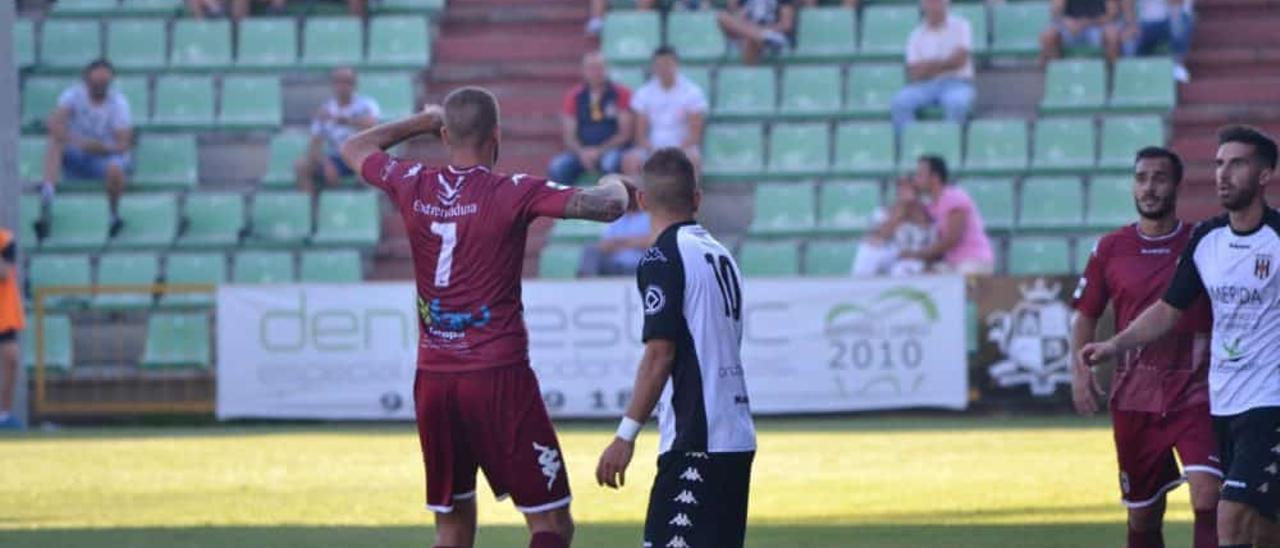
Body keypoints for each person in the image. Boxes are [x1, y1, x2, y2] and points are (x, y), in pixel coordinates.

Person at [340, 87, 631, 548]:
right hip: (498, 377)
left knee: (453, 529)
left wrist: (420, 121)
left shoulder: (412, 179)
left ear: (444, 135)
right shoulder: (512, 191)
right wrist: (616, 179)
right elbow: (607, 206)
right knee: (551, 525)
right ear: (496, 135)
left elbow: (354, 147)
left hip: (434, 379)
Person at [1081, 126, 1280, 548]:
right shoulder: (1207, 240)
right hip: (1223, 402)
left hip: (1268, 402)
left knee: (1226, 514)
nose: (1223, 174)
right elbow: (1168, 310)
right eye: (1220, 163)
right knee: (1262, 528)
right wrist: (1115, 345)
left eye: (1237, 164)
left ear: (1265, 176)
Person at [595, 147, 757, 548]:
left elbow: (659, 354)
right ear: (697, 199)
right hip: (734, 435)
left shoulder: (662, 257)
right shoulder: (721, 254)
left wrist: (625, 435)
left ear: (644, 201)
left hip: (697, 439)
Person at [1071, 147, 1219, 548]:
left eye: (1159, 178)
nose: (1149, 187)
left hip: (1198, 390)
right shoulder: (1110, 248)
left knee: (1209, 495)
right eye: (1141, 178)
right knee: (1143, 515)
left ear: (1176, 185)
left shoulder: (1203, 242)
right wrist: (1079, 373)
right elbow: (1084, 315)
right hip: (1136, 396)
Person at [40, 59, 134, 237]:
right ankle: (47, 195)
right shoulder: (73, 95)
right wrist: (79, 142)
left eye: (104, 83)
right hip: (78, 152)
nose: (99, 86)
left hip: (104, 156)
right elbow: (52, 123)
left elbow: (124, 144)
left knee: (116, 169)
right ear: (86, 80)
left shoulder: (119, 103)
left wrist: (102, 148)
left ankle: (113, 214)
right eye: (96, 82)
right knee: (55, 140)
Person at [548, 51, 634, 187]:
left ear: (607, 69)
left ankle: (611, 206)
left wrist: (599, 151)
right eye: (591, 68)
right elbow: (569, 136)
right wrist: (582, 153)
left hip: (611, 150)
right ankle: (566, 206)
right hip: (581, 152)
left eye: (600, 68)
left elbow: (624, 134)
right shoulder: (574, 96)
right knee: (558, 166)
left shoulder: (621, 93)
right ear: (584, 71)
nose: (596, 72)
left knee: (610, 164)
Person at [890, 0, 976, 133]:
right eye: (930, 2)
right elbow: (914, 72)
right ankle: (911, 146)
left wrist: (928, 66)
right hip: (924, 85)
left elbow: (960, 60)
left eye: (937, 2)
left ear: (947, 4)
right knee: (899, 103)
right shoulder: (916, 35)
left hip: (957, 83)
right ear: (923, 6)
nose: (934, 6)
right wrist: (946, 63)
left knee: (957, 104)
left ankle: (950, 146)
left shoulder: (961, 26)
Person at [899, 155, 995, 274]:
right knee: (920, 275)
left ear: (934, 178)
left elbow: (951, 239)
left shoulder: (954, 197)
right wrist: (909, 194)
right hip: (952, 263)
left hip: (973, 260)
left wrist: (917, 255)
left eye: (919, 175)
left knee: (960, 280)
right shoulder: (930, 205)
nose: (916, 180)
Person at [622, 47, 709, 178]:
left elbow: (695, 135)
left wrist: (674, 151)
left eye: (668, 64)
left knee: (693, 159)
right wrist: (654, 150)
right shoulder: (644, 93)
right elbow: (640, 136)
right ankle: (639, 198)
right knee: (630, 160)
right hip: (652, 147)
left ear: (676, 65)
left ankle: (688, 197)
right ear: (653, 67)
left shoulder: (692, 92)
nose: (663, 69)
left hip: (683, 147)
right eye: (659, 65)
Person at [296, 67, 380, 194]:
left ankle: (364, 206)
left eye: (347, 81)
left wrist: (341, 120)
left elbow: (372, 125)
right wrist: (324, 162)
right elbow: (315, 143)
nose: (343, 86)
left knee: (368, 174)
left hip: (360, 156)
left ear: (355, 84)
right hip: (335, 157)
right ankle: (312, 208)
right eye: (339, 81)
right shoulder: (325, 109)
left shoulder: (366, 105)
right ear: (333, 84)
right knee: (302, 166)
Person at [851, 176, 935, 277]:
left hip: (914, 258)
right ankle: (859, 286)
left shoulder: (926, 211)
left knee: (903, 269)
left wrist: (912, 210)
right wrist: (899, 214)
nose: (904, 191)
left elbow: (926, 235)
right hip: (891, 254)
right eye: (901, 187)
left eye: (908, 187)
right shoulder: (883, 213)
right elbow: (877, 238)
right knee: (868, 250)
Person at [1121, 0, 1194, 83]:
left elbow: (1176, 2)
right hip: (1145, 22)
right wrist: (1131, 24)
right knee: (1129, 36)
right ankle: (1132, 69)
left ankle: (1177, 65)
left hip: (1174, 16)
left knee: (1179, 24)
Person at [1039, 0, 1124, 65]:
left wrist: (1088, 22)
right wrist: (1067, 21)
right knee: (1048, 36)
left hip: (1097, 25)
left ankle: (1110, 78)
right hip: (1070, 26)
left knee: (1113, 35)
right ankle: (1058, 77)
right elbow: (1056, 11)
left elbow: (1112, 14)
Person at [578, 203, 651, 277]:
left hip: (640, 267)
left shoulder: (650, 216)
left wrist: (618, 242)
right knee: (591, 250)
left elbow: (651, 242)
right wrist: (634, 241)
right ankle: (584, 285)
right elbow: (605, 245)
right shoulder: (615, 218)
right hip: (615, 266)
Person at [716, 0, 796, 64]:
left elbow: (786, 24)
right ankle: (760, 36)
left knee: (752, 40)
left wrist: (763, 30)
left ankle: (749, 78)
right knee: (722, 17)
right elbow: (739, 20)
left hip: (775, 36)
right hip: (751, 34)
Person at [0, 228, 23, 430]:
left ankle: (4, 415)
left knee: (11, 359)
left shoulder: (6, 241)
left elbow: (4, 272)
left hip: (3, 313)